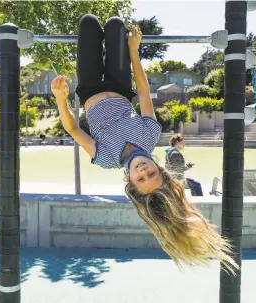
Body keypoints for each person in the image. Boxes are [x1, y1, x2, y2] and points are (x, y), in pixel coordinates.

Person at [50, 14, 238, 272]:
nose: (143, 170)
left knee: (88, 23)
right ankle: (120, 39)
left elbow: (72, 128)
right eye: (151, 173)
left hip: (89, 89)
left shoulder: (105, 159)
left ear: (130, 182)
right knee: (116, 24)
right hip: (119, 85)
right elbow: (142, 90)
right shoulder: (150, 135)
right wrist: (134, 52)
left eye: (141, 179)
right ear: (159, 169)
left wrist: (60, 98)